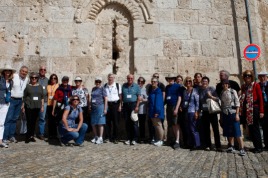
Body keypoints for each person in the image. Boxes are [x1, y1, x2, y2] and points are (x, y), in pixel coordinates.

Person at [240, 70, 264, 153]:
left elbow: (260, 99)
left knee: (255, 128)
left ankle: (259, 147)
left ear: (252, 77)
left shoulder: (255, 85)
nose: (247, 77)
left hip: (254, 108)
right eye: (246, 75)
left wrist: (261, 111)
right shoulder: (243, 86)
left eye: (249, 76)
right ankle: (256, 146)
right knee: (250, 128)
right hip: (247, 109)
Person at [3, 66, 29, 144]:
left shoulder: (27, 79)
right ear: (20, 71)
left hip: (19, 101)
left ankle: (11, 136)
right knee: (9, 119)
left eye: (25, 72)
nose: (24, 73)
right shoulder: (14, 76)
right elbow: (7, 84)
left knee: (15, 119)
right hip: (12, 100)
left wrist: (23, 103)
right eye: (22, 71)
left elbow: (24, 92)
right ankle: (4, 137)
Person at [220, 79, 245, 156]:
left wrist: (237, 114)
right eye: (224, 84)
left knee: (237, 130)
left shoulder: (233, 91)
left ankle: (242, 148)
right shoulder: (222, 92)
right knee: (229, 130)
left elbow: (237, 103)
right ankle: (231, 146)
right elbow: (222, 105)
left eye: (226, 84)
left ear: (229, 84)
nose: (225, 85)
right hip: (225, 113)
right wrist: (221, 116)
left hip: (233, 112)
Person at [199, 76, 222, 151]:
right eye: (203, 81)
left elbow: (218, 99)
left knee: (215, 129)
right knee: (206, 130)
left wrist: (211, 96)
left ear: (208, 82)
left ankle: (218, 145)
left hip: (212, 111)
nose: (204, 82)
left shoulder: (212, 89)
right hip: (205, 112)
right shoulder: (200, 90)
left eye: (206, 81)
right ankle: (208, 145)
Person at [23, 72, 44, 143]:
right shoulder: (28, 86)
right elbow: (24, 96)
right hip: (29, 106)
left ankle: (32, 136)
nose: (34, 79)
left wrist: (42, 106)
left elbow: (42, 97)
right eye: (32, 77)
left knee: (34, 122)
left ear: (37, 79)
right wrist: (23, 106)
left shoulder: (40, 86)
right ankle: (27, 136)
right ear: (30, 78)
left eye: (35, 78)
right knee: (29, 121)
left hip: (37, 106)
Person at [181, 76, 200, 150]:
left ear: (191, 82)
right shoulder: (184, 91)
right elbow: (184, 101)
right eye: (187, 81)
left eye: (189, 81)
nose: (188, 82)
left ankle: (197, 144)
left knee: (193, 128)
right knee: (187, 128)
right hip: (186, 111)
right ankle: (190, 143)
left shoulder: (195, 90)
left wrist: (196, 112)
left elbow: (197, 102)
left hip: (192, 111)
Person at [122, 74, 141, 145]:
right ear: (127, 78)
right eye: (128, 78)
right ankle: (128, 138)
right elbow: (122, 96)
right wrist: (121, 105)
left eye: (131, 78)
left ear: (133, 79)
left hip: (133, 105)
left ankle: (135, 139)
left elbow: (139, 97)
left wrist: (137, 106)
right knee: (127, 123)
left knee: (134, 123)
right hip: (126, 105)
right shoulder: (124, 86)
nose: (130, 79)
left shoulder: (136, 86)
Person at [146, 73, 165, 143]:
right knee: (155, 126)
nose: (153, 83)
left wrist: (157, 111)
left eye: (154, 82)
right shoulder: (152, 91)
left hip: (156, 111)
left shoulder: (158, 91)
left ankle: (161, 140)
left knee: (159, 126)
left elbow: (159, 102)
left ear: (157, 83)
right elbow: (150, 100)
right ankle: (158, 139)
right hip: (152, 111)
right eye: (152, 82)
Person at [165, 74, 182, 149]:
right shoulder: (167, 87)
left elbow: (179, 98)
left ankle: (178, 141)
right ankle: (175, 139)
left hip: (174, 106)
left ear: (174, 79)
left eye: (172, 78)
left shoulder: (178, 86)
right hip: (168, 107)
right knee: (171, 124)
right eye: (169, 79)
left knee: (176, 123)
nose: (170, 80)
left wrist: (176, 108)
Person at [0, 64, 16, 148]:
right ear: (3, 71)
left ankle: (0, 141)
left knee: (2, 122)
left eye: (9, 71)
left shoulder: (11, 81)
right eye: (6, 70)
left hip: (5, 103)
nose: (7, 72)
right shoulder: (0, 79)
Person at [104, 73, 122, 143]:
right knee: (107, 122)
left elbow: (120, 96)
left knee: (115, 122)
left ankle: (115, 137)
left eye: (112, 77)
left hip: (115, 105)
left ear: (114, 78)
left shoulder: (117, 85)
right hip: (108, 105)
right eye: (109, 77)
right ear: (107, 78)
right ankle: (108, 137)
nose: (110, 78)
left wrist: (120, 105)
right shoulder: (105, 86)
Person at [90, 77, 108, 144]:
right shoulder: (93, 89)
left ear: (101, 82)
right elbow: (91, 98)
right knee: (93, 123)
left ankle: (100, 137)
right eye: (96, 81)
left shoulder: (103, 89)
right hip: (93, 107)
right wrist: (90, 105)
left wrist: (105, 108)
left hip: (100, 106)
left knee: (100, 122)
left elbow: (106, 99)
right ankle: (96, 136)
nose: (98, 83)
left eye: (99, 82)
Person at [37, 65, 49, 140]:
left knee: (42, 118)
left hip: (44, 102)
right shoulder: (35, 78)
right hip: (34, 102)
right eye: (41, 69)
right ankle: (30, 133)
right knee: (33, 118)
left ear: (46, 71)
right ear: (39, 70)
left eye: (44, 70)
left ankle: (41, 133)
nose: (42, 71)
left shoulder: (47, 80)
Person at [47, 74, 59, 139]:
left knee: (55, 120)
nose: (53, 79)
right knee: (50, 120)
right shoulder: (48, 86)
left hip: (55, 105)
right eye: (52, 78)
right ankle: (50, 134)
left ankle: (55, 134)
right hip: (49, 105)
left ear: (56, 79)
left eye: (54, 78)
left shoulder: (58, 85)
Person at [258, 71, 268, 150]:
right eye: (260, 77)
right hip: (262, 108)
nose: (262, 78)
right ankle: (266, 144)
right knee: (264, 127)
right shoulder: (258, 86)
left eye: (264, 76)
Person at [137, 76, 148, 143]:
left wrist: (143, 100)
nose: (140, 83)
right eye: (139, 81)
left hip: (142, 110)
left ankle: (142, 137)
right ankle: (135, 137)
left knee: (142, 124)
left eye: (142, 82)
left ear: (144, 83)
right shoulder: (135, 88)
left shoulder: (145, 90)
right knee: (134, 124)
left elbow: (148, 99)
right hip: (135, 109)